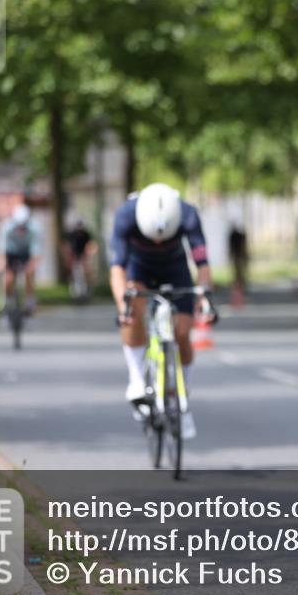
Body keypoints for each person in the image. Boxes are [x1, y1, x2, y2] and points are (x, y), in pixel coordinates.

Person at [110, 183, 212, 439]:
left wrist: (204, 296)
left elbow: (202, 263)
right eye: (152, 236)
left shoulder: (188, 214)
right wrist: (123, 307)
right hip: (139, 269)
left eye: (162, 236)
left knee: (182, 331)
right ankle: (135, 380)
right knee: (132, 310)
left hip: (175, 269)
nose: (157, 240)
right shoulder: (125, 215)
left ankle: (181, 398)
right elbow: (117, 269)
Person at [0, 203, 42, 315]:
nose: (21, 229)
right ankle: (7, 303)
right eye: (18, 226)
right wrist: (0, 262)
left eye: (24, 226)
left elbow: (36, 251)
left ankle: (30, 301)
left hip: (26, 253)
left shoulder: (35, 228)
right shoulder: (7, 227)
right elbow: (1, 248)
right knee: (8, 279)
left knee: (29, 273)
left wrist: (33, 264)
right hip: (11, 253)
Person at [63, 216, 98, 297]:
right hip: (74, 254)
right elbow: (66, 246)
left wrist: (89, 254)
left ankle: (88, 288)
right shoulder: (71, 235)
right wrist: (68, 256)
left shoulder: (86, 234)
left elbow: (91, 245)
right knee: (74, 271)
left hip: (83, 254)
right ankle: (74, 289)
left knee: (86, 270)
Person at [228, 223, 249, 294]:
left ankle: (240, 286)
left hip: (239, 255)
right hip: (239, 255)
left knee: (239, 272)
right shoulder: (237, 236)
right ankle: (239, 286)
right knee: (239, 272)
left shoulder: (237, 237)